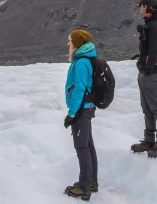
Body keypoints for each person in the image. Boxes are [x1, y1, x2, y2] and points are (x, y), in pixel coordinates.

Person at [130, 0, 157, 158]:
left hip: (152, 73)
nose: (139, 8)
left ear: (147, 6)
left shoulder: (155, 25)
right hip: (147, 72)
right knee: (147, 107)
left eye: (140, 6)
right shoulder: (151, 24)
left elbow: (155, 50)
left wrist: (147, 68)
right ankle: (149, 140)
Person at [64, 30, 99, 201]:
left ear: (76, 43)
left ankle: (84, 187)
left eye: (71, 41)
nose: (69, 43)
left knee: (82, 147)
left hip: (81, 109)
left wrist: (71, 114)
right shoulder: (87, 59)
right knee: (88, 145)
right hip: (87, 107)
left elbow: (79, 89)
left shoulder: (81, 63)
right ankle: (91, 181)